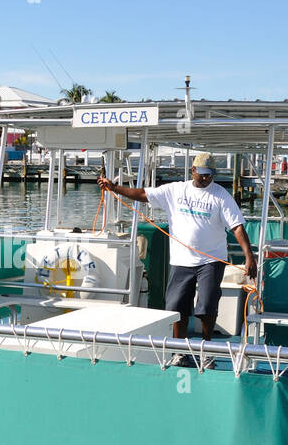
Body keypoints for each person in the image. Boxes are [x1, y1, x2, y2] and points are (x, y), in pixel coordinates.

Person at [98, 152, 255, 367]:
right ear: (193, 171)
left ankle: (206, 350)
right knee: (176, 306)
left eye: (210, 175)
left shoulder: (221, 195)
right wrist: (114, 188)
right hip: (182, 260)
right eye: (203, 175)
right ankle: (180, 350)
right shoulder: (175, 190)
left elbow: (237, 226)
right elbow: (143, 194)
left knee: (207, 306)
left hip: (211, 260)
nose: (207, 179)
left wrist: (248, 256)